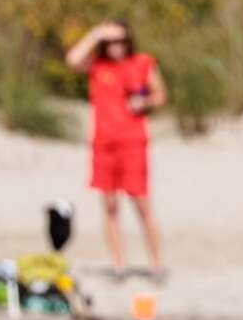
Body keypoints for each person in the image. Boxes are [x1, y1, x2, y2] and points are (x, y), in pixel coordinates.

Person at [65, 19, 167, 278]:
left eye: (120, 40)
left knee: (142, 204)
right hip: (103, 144)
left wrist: (143, 103)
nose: (115, 46)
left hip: (133, 142)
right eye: (110, 42)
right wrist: (96, 32)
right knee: (110, 206)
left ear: (128, 40)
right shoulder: (98, 66)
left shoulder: (142, 63)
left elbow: (160, 95)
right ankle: (119, 265)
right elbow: (72, 59)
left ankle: (156, 264)